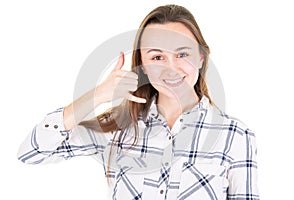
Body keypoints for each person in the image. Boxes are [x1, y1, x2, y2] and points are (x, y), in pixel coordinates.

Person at [17, 4, 259, 200]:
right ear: (142, 64)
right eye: (157, 56)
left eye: (182, 54)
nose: (171, 68)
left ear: (201, 58)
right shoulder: (118, 129)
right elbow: (32, 152)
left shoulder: (235, 135)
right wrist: (99, 94)